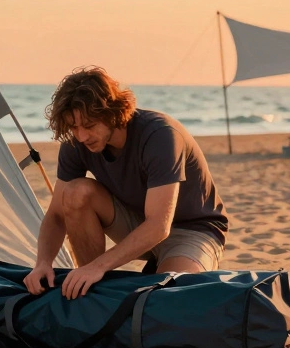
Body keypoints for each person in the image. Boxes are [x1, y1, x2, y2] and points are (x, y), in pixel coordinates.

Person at [23, 66, 228, 299]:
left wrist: (99, 266)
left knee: (168, 298)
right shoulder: (77, 144)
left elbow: (159, 226)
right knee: (75, 192)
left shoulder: (160, 135)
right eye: (73, 127)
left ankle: (99, 271)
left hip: (192, 230)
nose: (81, 136)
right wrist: (43, 262)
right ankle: (91, 290)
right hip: (136, 222)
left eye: (89, 126)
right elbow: (56, 215)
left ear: (112, 112)